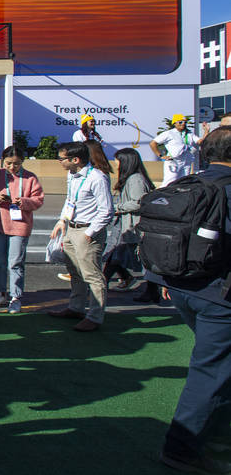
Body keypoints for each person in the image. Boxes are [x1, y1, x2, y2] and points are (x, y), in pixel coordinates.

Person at [147, 126, 231, 475]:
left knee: (218, 367)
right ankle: (183, 449)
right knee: (211, 371)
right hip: (219, 295)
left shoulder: (191, 184)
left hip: (182, 287)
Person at [47, 141, 115, 331]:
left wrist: (90, 233)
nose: (59, 162)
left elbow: (106, 210)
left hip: (87, 231)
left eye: (62, 159)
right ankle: (76, 308)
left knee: (92, 275)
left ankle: (95, 316)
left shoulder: (97, 178)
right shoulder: (72, 174)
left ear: (75, 159)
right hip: (71, 228)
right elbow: (71, 199)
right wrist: (62, 220)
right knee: (75, 272)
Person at [0, 146, 45, 314]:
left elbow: (38, 199)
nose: (12, 167)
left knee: (15, 263)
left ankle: (16, 297)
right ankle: (0, 292)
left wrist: (23, 201)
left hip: (20, 224)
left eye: (16, 164)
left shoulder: (30, 178)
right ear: (3, 161)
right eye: (8, 163)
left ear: (22, 162)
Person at [102, 147, 159, 302]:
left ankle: (103, 284)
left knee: (121, 255)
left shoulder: (135, 180)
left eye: (118, 160)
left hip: (134, 225)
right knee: (117, 255)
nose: (115, 163)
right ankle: (147, 288)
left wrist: (117, 208)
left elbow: (138, 203)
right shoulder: (134, 178)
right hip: (129, 225)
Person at [151, 114, 201, 187]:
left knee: (183, 182)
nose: (183, 124)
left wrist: (206, 131)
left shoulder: (189, 134)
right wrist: (161, 155)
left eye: (184, 122)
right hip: (173, 161)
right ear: (174, 123)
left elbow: (200, 142)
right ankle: (160, 196)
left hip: (186, 161)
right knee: (169, 182)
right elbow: (153, 143)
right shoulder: (169, 133)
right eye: (180, 122)